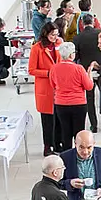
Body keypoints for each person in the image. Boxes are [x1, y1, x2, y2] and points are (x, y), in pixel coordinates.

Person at [50, 41, 94, 151]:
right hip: (78, 104)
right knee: (79, 132)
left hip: (61, 104)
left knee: (65, 131)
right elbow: (89, 86)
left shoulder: (54, 68)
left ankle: (66, 154)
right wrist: (90, 76)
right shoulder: (79, 69)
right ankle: (79, 153)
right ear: (71, 55)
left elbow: (53, 85)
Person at [29, 21, 62, 155]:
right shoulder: (37, 48)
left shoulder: (59, 45)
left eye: (56, 34)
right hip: (45, 88)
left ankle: (58, 143)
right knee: (48, 120)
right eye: (52, 35)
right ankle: (47, 147)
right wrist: (48, 73)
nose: (55, 37)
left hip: (59, 88)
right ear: (46, 34)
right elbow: (31, 70)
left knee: (59, 118)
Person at [74, 13, 101, 133]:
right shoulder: (100, 33)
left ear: (82, 23)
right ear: (93, 21)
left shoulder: (78, 37)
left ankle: (94, 125)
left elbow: (76, 56)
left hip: (87, 71)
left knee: (90, 99)